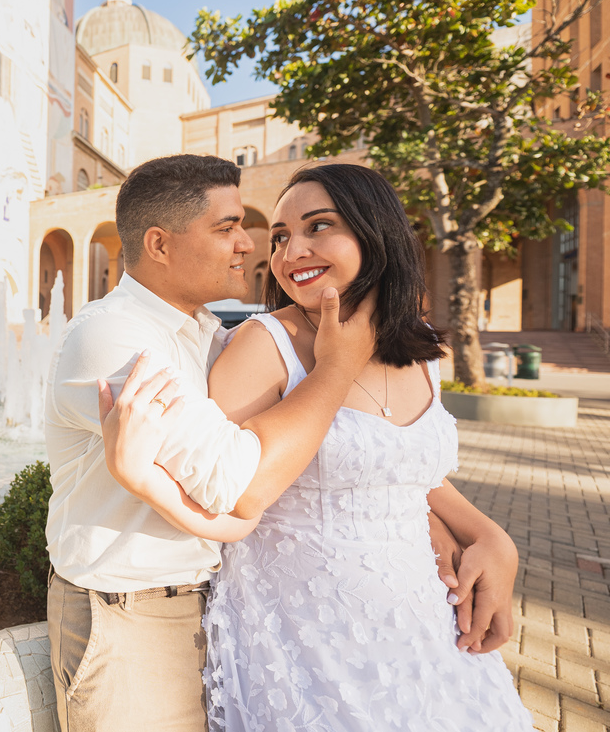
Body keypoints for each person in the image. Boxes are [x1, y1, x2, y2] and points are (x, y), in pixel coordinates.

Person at [43, 154, 506, 732]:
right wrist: (335, 370)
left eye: (314, 227)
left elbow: (392, 469)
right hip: (138, 609)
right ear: (159, 245)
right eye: (228, 228)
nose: (258, 247)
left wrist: (485, 534)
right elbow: (239, 488)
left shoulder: (206, 333)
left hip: (390, 621)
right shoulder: (115, 339)